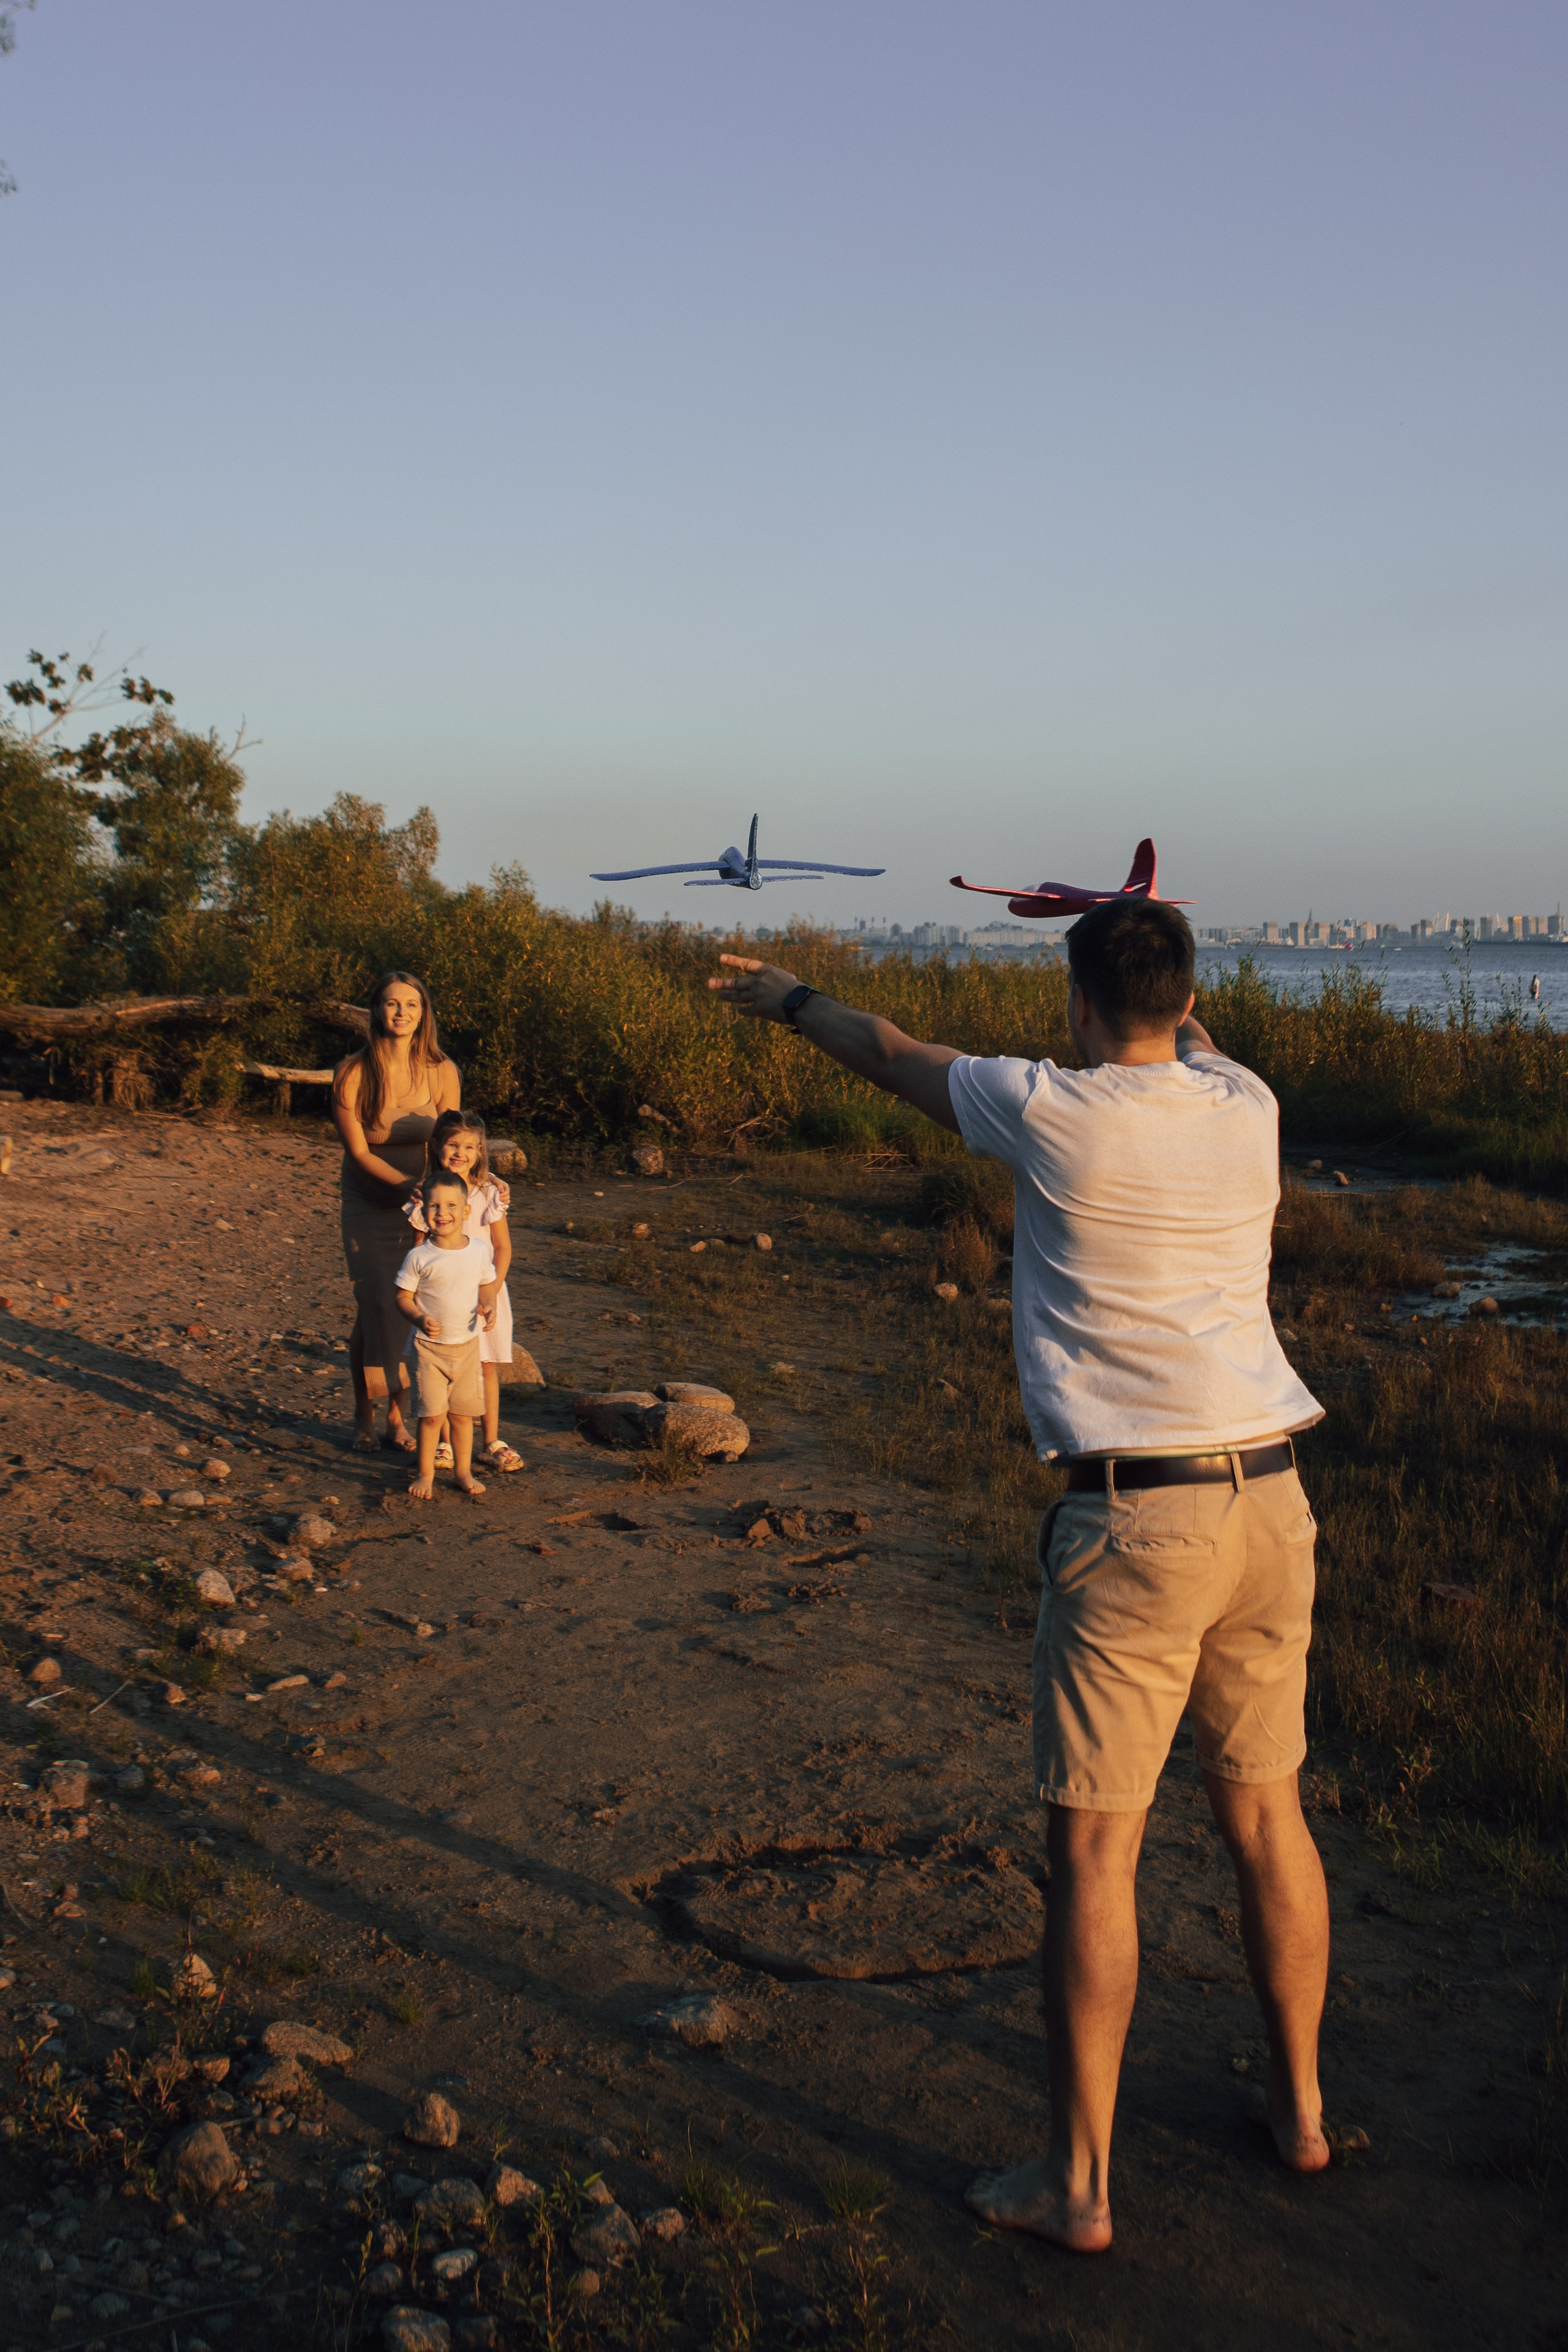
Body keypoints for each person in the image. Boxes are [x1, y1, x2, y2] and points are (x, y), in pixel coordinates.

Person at [709, 900, 1330, 2253]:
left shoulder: (1048, 1107)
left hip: (1136, 1518)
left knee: (1097, 1850)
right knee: (1268, 1821)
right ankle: (1299, 2114)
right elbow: (1187, 1041)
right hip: (1270, 1502)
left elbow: (890, 1051)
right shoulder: (1247, 1101)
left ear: (1075, 1003)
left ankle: (1080, 2187)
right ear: (1179, 995)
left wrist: (788, 997)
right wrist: (1135, 922)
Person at [333, 970, 461, 1453]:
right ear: (376, 1011)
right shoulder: (353, 1072)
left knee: (404, 1312)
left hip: (424, 1210)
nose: (402, 1012)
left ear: (423, 1013)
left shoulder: (443, 1070)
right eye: (392, 1003)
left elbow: (453, 1145)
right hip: (369, 1203)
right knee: (378, 1305)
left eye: (411, 1004)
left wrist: (472, 1190)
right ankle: (367, 1414)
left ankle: (395, 1417)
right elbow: (361, 1154)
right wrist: (412, 1187)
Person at [403, 1109, 524, 1474]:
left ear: (481, 1150)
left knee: (485, 1366)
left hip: (483, 1294)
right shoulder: (425, 1195)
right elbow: (418, 1251)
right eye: (454, 1144)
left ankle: (491, 1440)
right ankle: (444, 1444)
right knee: (437, 1367)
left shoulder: (488, 1193)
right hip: (438, 1298)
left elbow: (503, 1248)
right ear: (436, 1146)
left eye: (470, 1147)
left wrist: (492, 1291)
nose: (461, 1153)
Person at [394, 1167, 493, 1500]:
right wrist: (419, 1319)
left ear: (466, 1212)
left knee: (463, 1417)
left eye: (452, 1206)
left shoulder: (478, 1249)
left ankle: (463, 1472)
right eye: (435, 1206)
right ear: (423, 1213)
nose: (443, 1213)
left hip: (466, 1348)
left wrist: (489, 1303)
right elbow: (402, 1298)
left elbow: (487, 1283)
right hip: (429, 1350)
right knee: (432, 1415)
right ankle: (425, 1473)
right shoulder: (419, 1256)